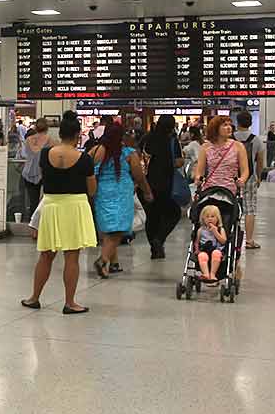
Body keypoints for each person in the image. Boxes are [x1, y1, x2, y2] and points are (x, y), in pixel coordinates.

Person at [21, 115, 96, 315]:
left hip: (52, 205)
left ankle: (34, 298)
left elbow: (44, 178)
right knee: (72, 256)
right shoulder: (85, 159)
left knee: (46, 255)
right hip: (75, 206)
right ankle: (70, 302)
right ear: (78, 135)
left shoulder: (46, 154)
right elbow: (92, 189)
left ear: (60, 133)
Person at [89, 123, 151, 277]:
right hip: (122, 192)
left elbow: (85, 167)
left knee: (108, 229)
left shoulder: (96, 151)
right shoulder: (129, 153)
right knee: (120, 229)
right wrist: (147, 192)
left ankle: (114, 264)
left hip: (101, 192)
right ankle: (103, 260)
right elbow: (139, 176)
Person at [139, 115, 184, 260]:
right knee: (174, 212)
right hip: (166, 184)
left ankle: (155, 248)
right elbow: (179, 162)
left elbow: (138, 157)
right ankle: (159, 239)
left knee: (152, 216)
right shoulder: (172, 141)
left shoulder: (147, 139)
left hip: (146, 184)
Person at [193, 116, 249, 197]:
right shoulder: (206, 147)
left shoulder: (238, 146)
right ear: (215, 128)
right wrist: (198, 178)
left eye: (230, 125)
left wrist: (242, 180)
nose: (229, 128)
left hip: (230, 189)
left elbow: (245, 170)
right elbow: (199, 171)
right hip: (210, 188)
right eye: (225, 125)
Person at [233, 111, 265, 249]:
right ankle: (249, 240)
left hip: (232, 178)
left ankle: (231, 239)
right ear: (250, 123)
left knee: (231, 205)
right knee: (249, 208)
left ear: (237, 123)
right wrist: (258, 177)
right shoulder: (256, 140)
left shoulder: (230, 138)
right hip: (250, 177)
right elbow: (260, 161)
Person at [19, 118, 52, 219]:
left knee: (33, 201)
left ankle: (31, 224)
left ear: (36, 128)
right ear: (47, 128)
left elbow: (23, 154)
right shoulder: (50, 140)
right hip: (43, 173)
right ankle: (41, 224)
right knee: (46, 201)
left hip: (28, 172)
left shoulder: (28, 139)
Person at [195, 205, 228, 281]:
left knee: (216, 253)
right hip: (205, 250)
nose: (210, 218)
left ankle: (212, 274)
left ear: (217, 218)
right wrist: (197, 250)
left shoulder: (220, 229)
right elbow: (197, 242)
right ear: (203, 219)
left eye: (212, 216)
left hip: (217, 250)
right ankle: (206, 274)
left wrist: (215, 232)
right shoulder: (201, 230)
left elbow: (224, 241)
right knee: (202, 256)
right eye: (207, 217)